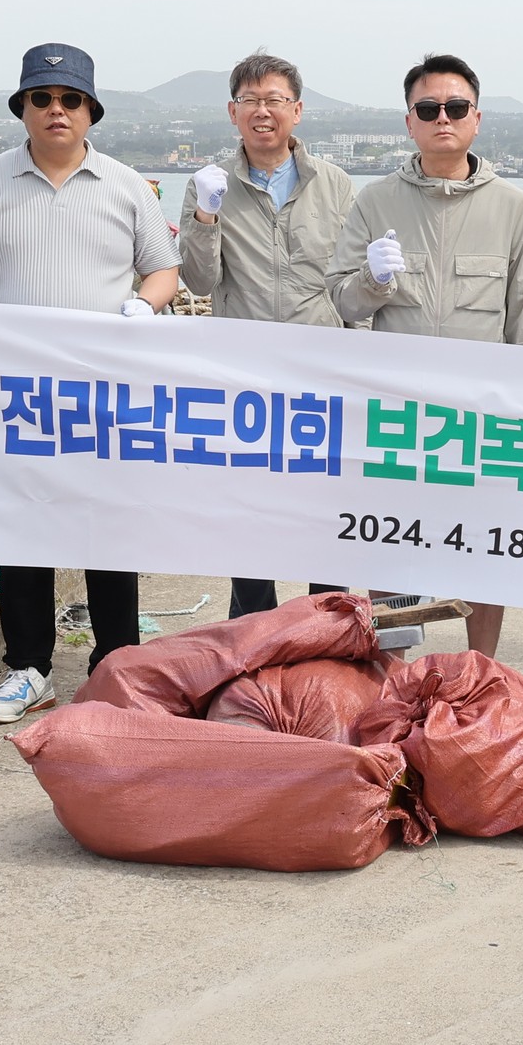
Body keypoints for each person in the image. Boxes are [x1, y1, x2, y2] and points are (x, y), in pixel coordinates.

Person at [0, 43, 182, 722]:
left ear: (90, 111)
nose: (56, 110)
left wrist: (147, 305)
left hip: (103, 385)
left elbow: (161, 269)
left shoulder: (124, 185)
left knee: (108, 523)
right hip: (17, 388)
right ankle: (29, 668)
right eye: (42, 99)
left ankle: (119, 664)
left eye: (70, 100)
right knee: (25, 525)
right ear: (23, 108)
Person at [327, 53, 523, 660]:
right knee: (393, 543)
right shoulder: (375, 202)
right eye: (429, 109)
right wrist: (371, 279)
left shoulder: (513, 206)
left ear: (477, 118)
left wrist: (522, 410)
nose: (442, 118)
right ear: (410, 122)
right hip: (399, 412)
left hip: (482, 414)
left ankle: (479, 669)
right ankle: (394, 669)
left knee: (483, 548)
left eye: (455, 108)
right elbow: (344, 301)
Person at [180, 51, 360, 620]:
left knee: (323, 507)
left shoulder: (335, 184)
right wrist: (206, 219)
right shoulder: (209, 185)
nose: (263, 111)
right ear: (233, 112)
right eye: (251, 101)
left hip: (320, 369)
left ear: (297, 111)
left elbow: (347, 281)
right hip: (246, 371)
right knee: (249, 511)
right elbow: (199, 279)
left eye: (275, 100)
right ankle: (252, 633)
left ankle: (324, 629)